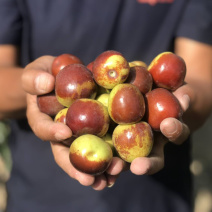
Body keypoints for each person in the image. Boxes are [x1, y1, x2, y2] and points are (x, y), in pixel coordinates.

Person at [0, 0, 212, 211]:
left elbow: (202, 84)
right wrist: (37, 88)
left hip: (156, 198)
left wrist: (180, 106)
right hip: (41, 196)